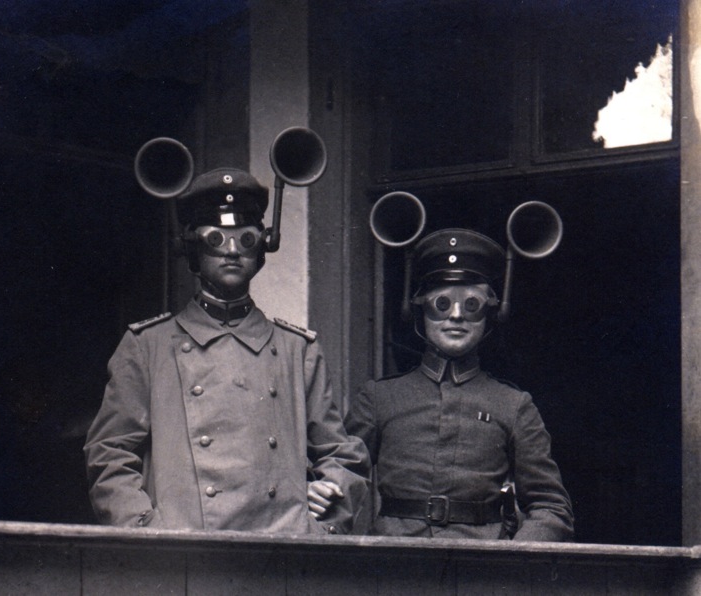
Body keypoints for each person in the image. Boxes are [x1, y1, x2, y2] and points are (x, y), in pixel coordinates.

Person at [84, 167, 370, 534]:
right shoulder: (147, 346)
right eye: (216, 239)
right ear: (193, 248)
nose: (232, 251)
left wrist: (323, 511)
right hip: (186, 549)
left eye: (246, 239)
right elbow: (109, 455)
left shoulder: (297, 350)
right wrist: (147, 530)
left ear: (261, 247)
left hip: (280, 547)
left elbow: (342, 455)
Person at [345, 228, 574, 541]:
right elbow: (339, 478)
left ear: (491, 312)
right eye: (442, 303)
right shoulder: (379, 398)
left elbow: (551, 506)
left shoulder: (513, 405)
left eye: (471, 305)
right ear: (420, 308)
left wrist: (513, 556)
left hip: (480, 565)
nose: (455, 316)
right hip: (393, 562)